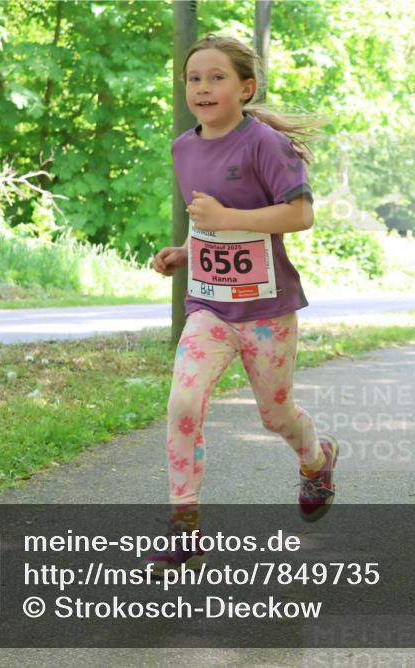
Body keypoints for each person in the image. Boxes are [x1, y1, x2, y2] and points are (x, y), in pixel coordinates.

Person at [149, 35, 337, 570]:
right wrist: (185, 252)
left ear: (245, 88)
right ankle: (184, 524)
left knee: (275, 415)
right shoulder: (183, 148)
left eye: (217, 77)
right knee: (182, 405)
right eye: (194, 78)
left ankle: (316, 461)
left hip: (266, 311)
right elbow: (208, 222)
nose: (203, 87)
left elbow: (299, 216)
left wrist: (228, 218)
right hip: (208, 307)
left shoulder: (264, 146)